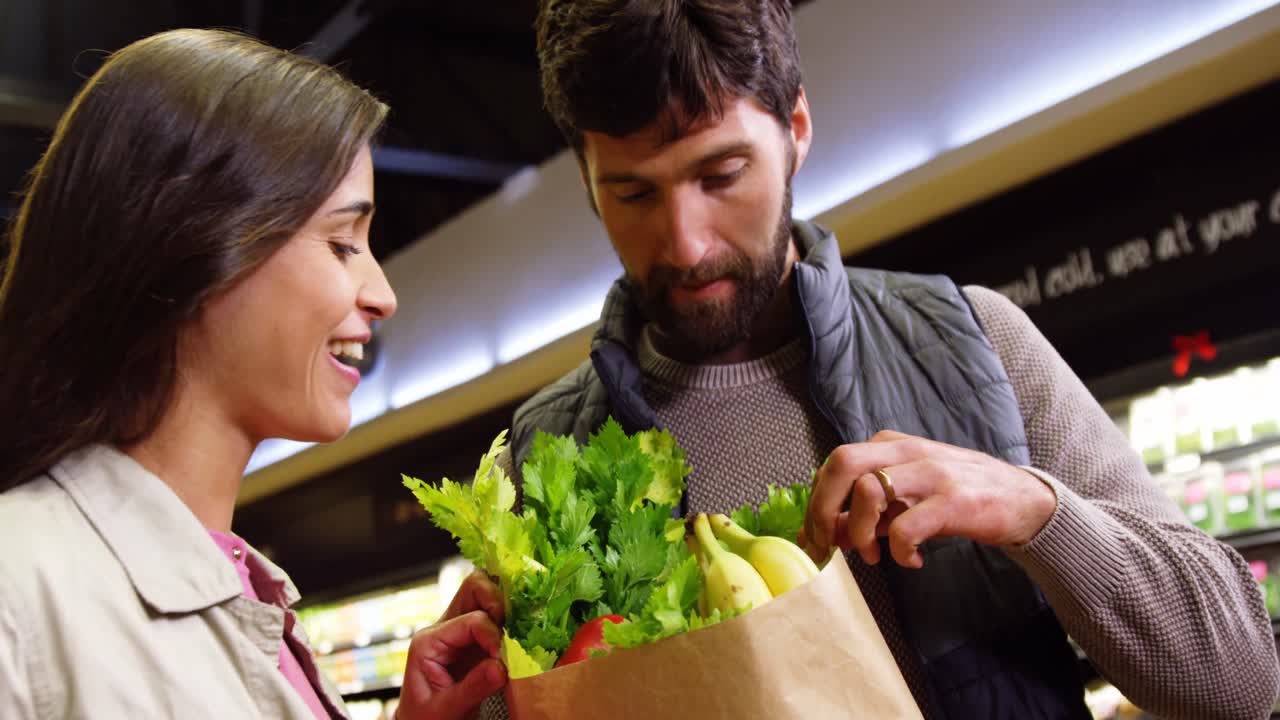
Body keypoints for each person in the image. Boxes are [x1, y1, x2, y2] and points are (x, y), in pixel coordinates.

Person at [478, 1, 1280, 718]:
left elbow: (1242, 681)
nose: (685, 244)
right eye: (634, 194)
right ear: (587, 182)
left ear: (796, 129)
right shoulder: (540, 457)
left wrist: (1034, 511)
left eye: (721, 174)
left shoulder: (975, 340)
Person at [0, 29, 503, 720]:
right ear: (195, 242)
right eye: (342, 243)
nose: (382, 294)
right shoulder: (21, 586)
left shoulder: (254, 599)